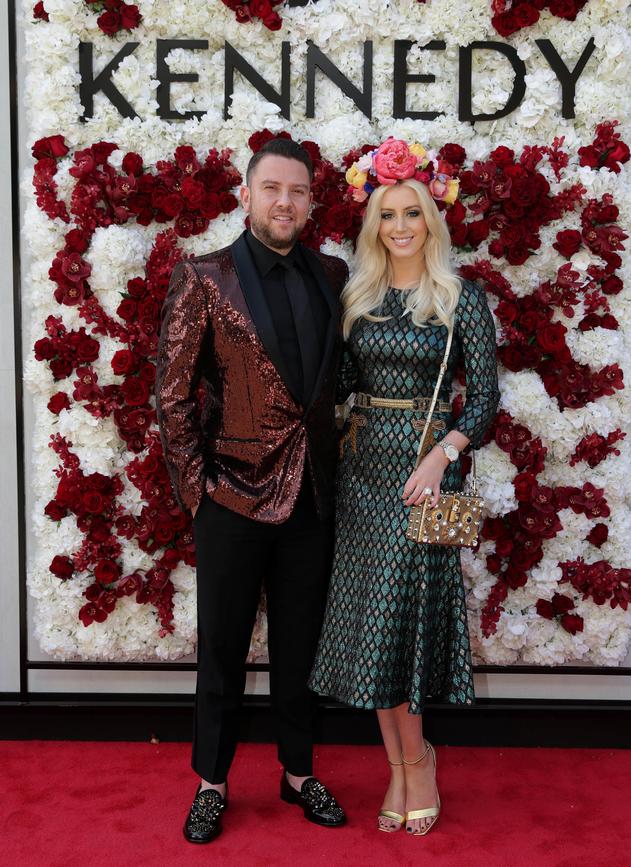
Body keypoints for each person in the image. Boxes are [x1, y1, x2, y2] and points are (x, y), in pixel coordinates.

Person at [156, 137, 347, 843]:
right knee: (223, 650)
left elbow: (333, 383)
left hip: (312, 500)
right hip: (230, 497)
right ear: (246, 194)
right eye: (272, 188)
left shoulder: (330, 271)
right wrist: (198, 490)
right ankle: (212, 781)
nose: (285, 202)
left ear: (310, 201)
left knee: (301, 646)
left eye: (297, 191)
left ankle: (298, 773)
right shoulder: (205, 276)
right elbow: (171, 395)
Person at [309, 139, 500, 836]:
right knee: (374, 630)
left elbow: (483, 400)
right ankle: (399, 766)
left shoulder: (459, 298)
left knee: (403, 626)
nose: (398, 226)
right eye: (387, 214)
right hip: (363, 476)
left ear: (431, 221)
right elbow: (346, 386)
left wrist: (443, 454)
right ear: (373, 223)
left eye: (411, 213)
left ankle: (419, 762)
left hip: (421, 478)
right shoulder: (357, 296)